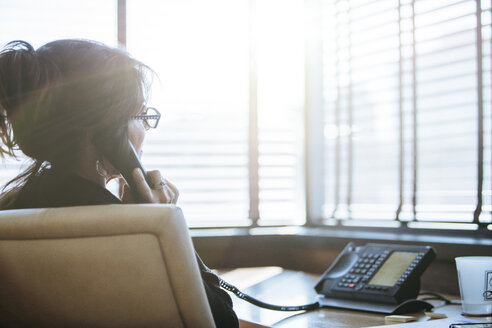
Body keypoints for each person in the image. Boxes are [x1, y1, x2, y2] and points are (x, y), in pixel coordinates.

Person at [0, 39, 239, 328]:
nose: (146, 128)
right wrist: (157, 224)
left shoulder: (13, 209)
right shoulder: (127, 232)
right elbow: (223, 321)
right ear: (109, 133)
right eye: (141, 115)